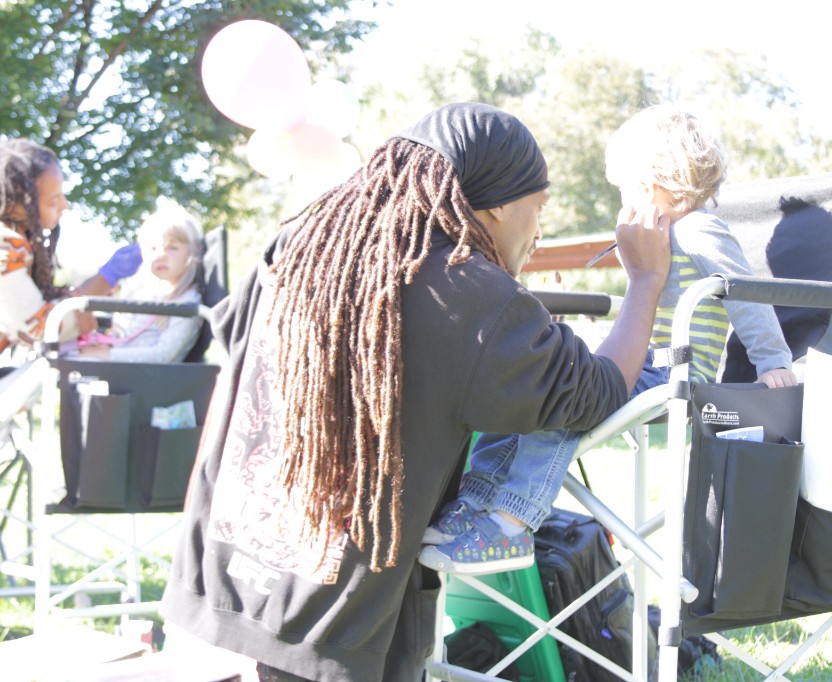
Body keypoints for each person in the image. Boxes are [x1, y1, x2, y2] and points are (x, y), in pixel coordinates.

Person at [160, 102, 670, 681]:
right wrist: (647, 282)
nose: (540, 228)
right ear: (500, 203)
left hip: (221, 574)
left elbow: (231, 329)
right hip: (333, 623)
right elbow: (594, 390)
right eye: (539, 206)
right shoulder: (468, 293)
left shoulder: (307, 240)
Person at [419, 104, 797, 575]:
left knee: (560, 405)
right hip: (649, 366)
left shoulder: (699, 229)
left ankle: (513, 522)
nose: (623, 200)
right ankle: (476, 502)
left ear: (653, 183)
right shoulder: (661, 235)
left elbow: (745, 294)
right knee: (524, 389)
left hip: (676, 374)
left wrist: (773, 361)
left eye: (626, 188)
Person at [0, 138, 141, 360]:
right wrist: (105, 279)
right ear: (17, 206)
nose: (65, 205)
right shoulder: (6, 247)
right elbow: (38, 326)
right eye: (53, 200)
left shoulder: (16, 242)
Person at [71, 202, 204, 363]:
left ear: (193, 252)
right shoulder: (143, 292)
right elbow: (123, 332)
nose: (161, 255)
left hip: (145, 378)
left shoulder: (188, 302)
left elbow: (163, 355)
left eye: (173, 248)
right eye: (153, 248)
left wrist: (107, 355)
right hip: (120, 363)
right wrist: (105, 345)